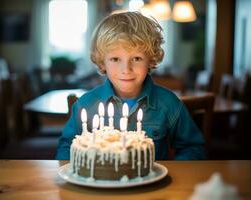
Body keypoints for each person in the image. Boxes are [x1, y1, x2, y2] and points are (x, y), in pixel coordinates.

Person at [56, 11, 205, 160]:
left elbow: (193, 147)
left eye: (136, 58)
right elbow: (66, 147)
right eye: (115, 59)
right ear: (103, 62)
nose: (126, 69)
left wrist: (173, 173)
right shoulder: (85, 105)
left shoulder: (169, 103)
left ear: (150, 60)